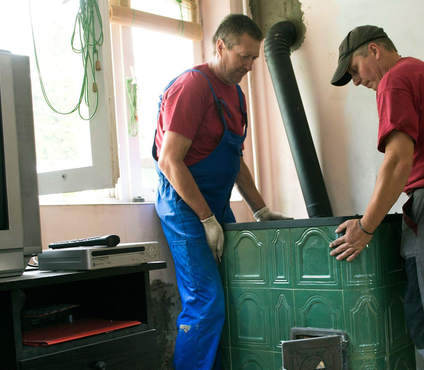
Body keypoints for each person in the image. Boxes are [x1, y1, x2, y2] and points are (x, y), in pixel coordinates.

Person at [328, 25, 424, 370]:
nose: (356, 81)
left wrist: (366, 227)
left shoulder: (395, 80)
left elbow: (399, 160)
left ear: (373, 51)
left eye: (354, 70)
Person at [153, 14, 290, 370]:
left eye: (254, 59)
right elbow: (170, 162)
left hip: (213, 205)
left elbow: (234, 160)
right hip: (186, 206)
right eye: (243, 56)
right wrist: (206, 218)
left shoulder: (236, 94)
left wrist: (260, 210)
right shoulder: (192, 87)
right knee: (205, 301)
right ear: (220, 46)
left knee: (236, 292)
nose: (249, 65)